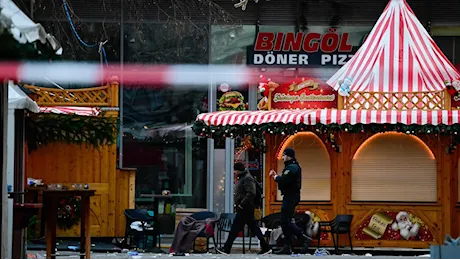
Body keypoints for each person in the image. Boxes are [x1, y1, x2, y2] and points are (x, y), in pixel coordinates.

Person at [217, 162, 271, 255]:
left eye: (235, 170)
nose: (234, 172)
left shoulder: (247, 178)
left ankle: (227, 248)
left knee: (235, 228)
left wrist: (241, 204)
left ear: (238, 170)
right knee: (253, 227)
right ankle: (265, 246)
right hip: (245, 207)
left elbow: (251, 193)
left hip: (245, 207)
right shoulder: (244, 177)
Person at [269, 148, 311, 255]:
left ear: (288, 156)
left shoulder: (292, 167)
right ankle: (288, 245)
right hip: (290, 196)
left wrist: (275, 176)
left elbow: (283, 180)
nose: (282, 157)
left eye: (284, 155)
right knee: (285, 220)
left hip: (291, 196)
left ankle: (302, 238)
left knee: (285, 220)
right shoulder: (291, 166)